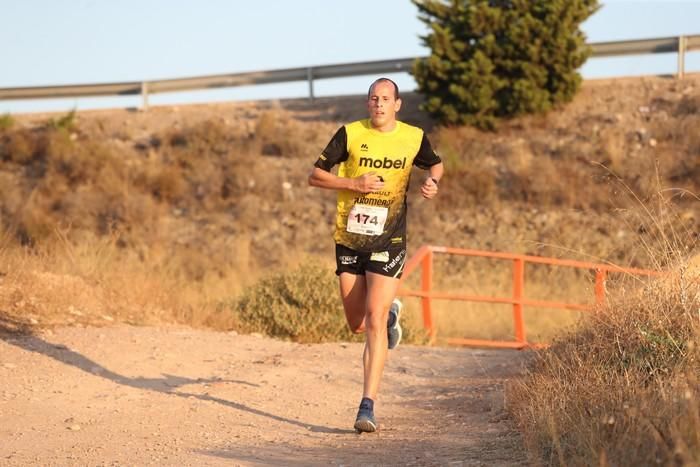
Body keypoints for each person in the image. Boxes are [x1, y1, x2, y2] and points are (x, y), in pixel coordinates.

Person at [308, 77, 444, 433]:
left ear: (397, 104)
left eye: (385, 98)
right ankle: (388, 318)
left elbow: (436, 164)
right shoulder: (350, 134)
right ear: (368, 104)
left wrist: (433, 182)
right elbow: (316, 175)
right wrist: (353, 183)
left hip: (390, 238)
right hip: (350, 238)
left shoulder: (413, 137)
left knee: (373, 312)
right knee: (358, 323)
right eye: (373, 98)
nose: (378, 103)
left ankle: (367, 406)